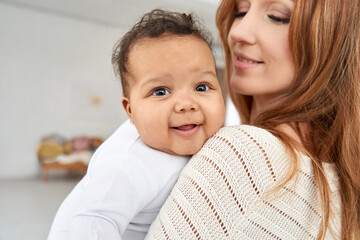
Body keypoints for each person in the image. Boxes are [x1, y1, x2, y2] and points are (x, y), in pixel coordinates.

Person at [146, 0, 360, 239]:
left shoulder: (243, 153)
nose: (238, 32)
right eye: (241, 11)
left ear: (332, 39)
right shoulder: (344, 187)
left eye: (277, 17)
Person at [48, 9, 225, 240]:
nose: (186, 104)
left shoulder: (217, 141)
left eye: (201, 87)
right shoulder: (126, 162)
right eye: (160, 91)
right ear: (130, 110)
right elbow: (92, 226)